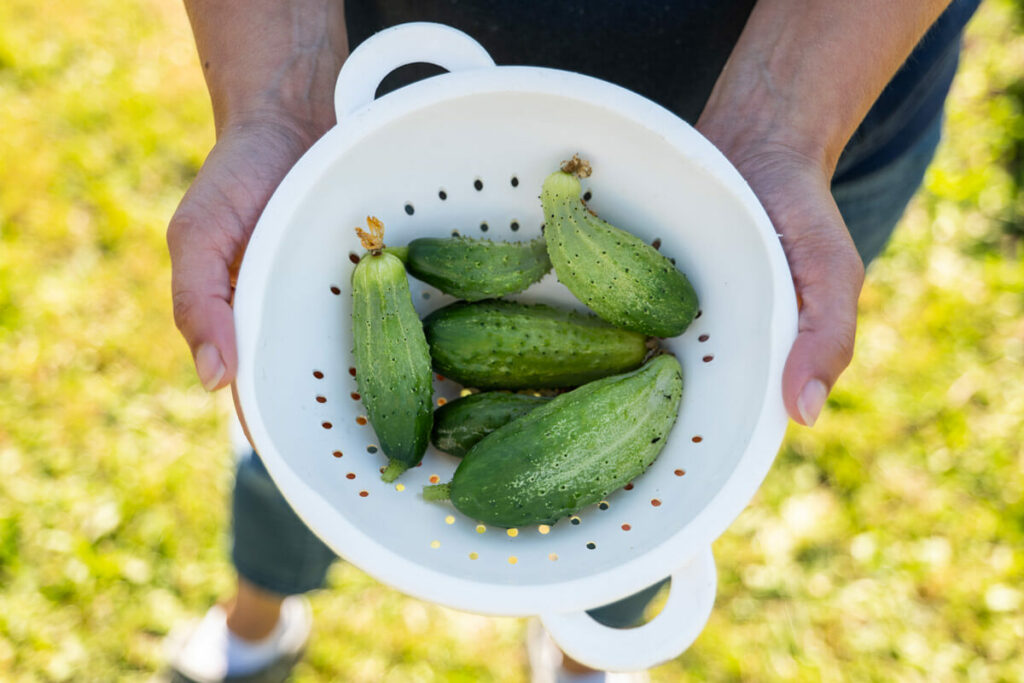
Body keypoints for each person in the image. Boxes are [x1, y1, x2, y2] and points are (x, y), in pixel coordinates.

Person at [163, 1, 982, 681]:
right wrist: (280, 87)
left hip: (828, 88)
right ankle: (257, 618)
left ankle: (586, 658)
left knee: (649, 528)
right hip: (399, 101)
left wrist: (785, 119)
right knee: (298, 458)